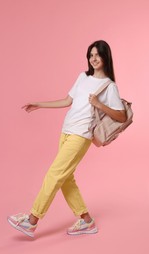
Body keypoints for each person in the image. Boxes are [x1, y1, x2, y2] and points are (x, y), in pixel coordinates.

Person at [7, 40, 126, 237]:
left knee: (54, 174)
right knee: (65, 177)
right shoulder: (82, 77)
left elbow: (121, 116)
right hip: (66, 131)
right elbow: (67, 101)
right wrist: (39, 104)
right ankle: (86, 220)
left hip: (81, 135)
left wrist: (98, 104)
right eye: (91, 55)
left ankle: (31, 220)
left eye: (97, 55)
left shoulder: (109, 86)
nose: (93, 59)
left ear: (106, 57)